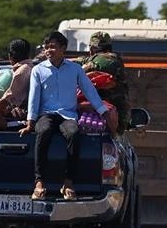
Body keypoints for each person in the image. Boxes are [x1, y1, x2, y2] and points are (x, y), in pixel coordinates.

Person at [19, 31, 114, 201]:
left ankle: (68, 182)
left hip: (68, 114)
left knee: (73, 133)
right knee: (43, 131)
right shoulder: (38, 70)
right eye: (46, 47)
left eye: (53, 47)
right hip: (46, 114)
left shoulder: (75, 69)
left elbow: (89, 91)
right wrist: (30, 122)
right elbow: (34, 97)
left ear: (63, 48)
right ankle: (39, 182)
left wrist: (103, 111)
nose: (49, 50)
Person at [72, 31, 131, 133]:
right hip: (93, 118)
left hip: (112, 121)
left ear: (91, 49)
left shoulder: (110, 60)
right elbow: (81, 60)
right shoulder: (96, 59)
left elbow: (98, 63)